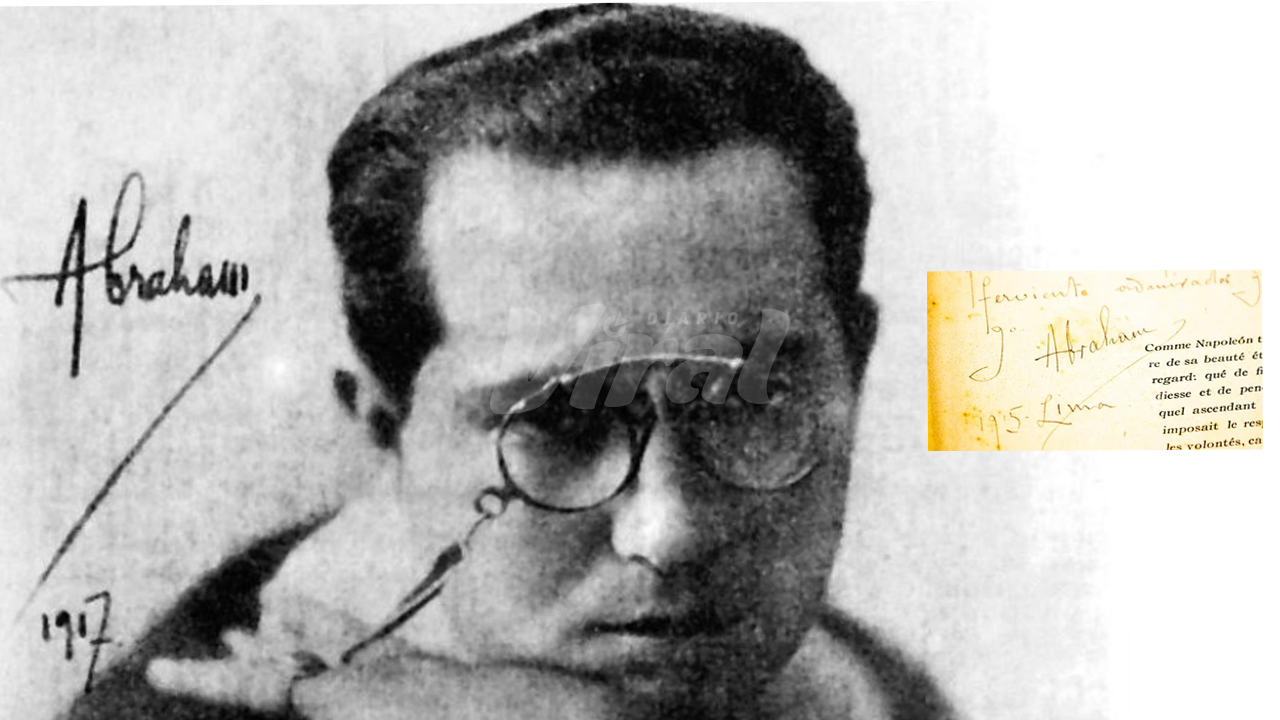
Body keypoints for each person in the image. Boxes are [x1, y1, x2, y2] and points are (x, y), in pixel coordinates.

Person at [66, 5, 951, 719]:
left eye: (747, 403)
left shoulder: (875, 687)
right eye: (561, 424)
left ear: (855, 369)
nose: (670, 532)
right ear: (387, 429)